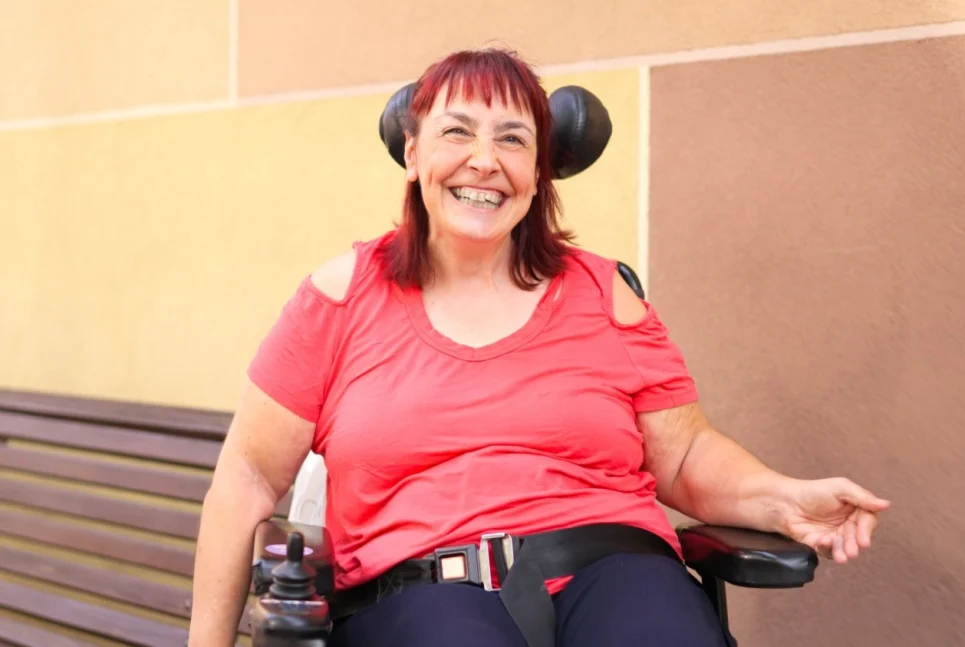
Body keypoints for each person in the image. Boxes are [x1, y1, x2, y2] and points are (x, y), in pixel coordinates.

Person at [187, 47, 890, 647]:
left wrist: (783, 498)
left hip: (612, 561)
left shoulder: (604, 291)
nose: (484, 161)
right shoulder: (342, 296)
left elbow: (684, 453)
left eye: (513, 139)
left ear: (542, 168)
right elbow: (246, 478)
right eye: (456, 131)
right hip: (422, 586)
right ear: (413, 151)